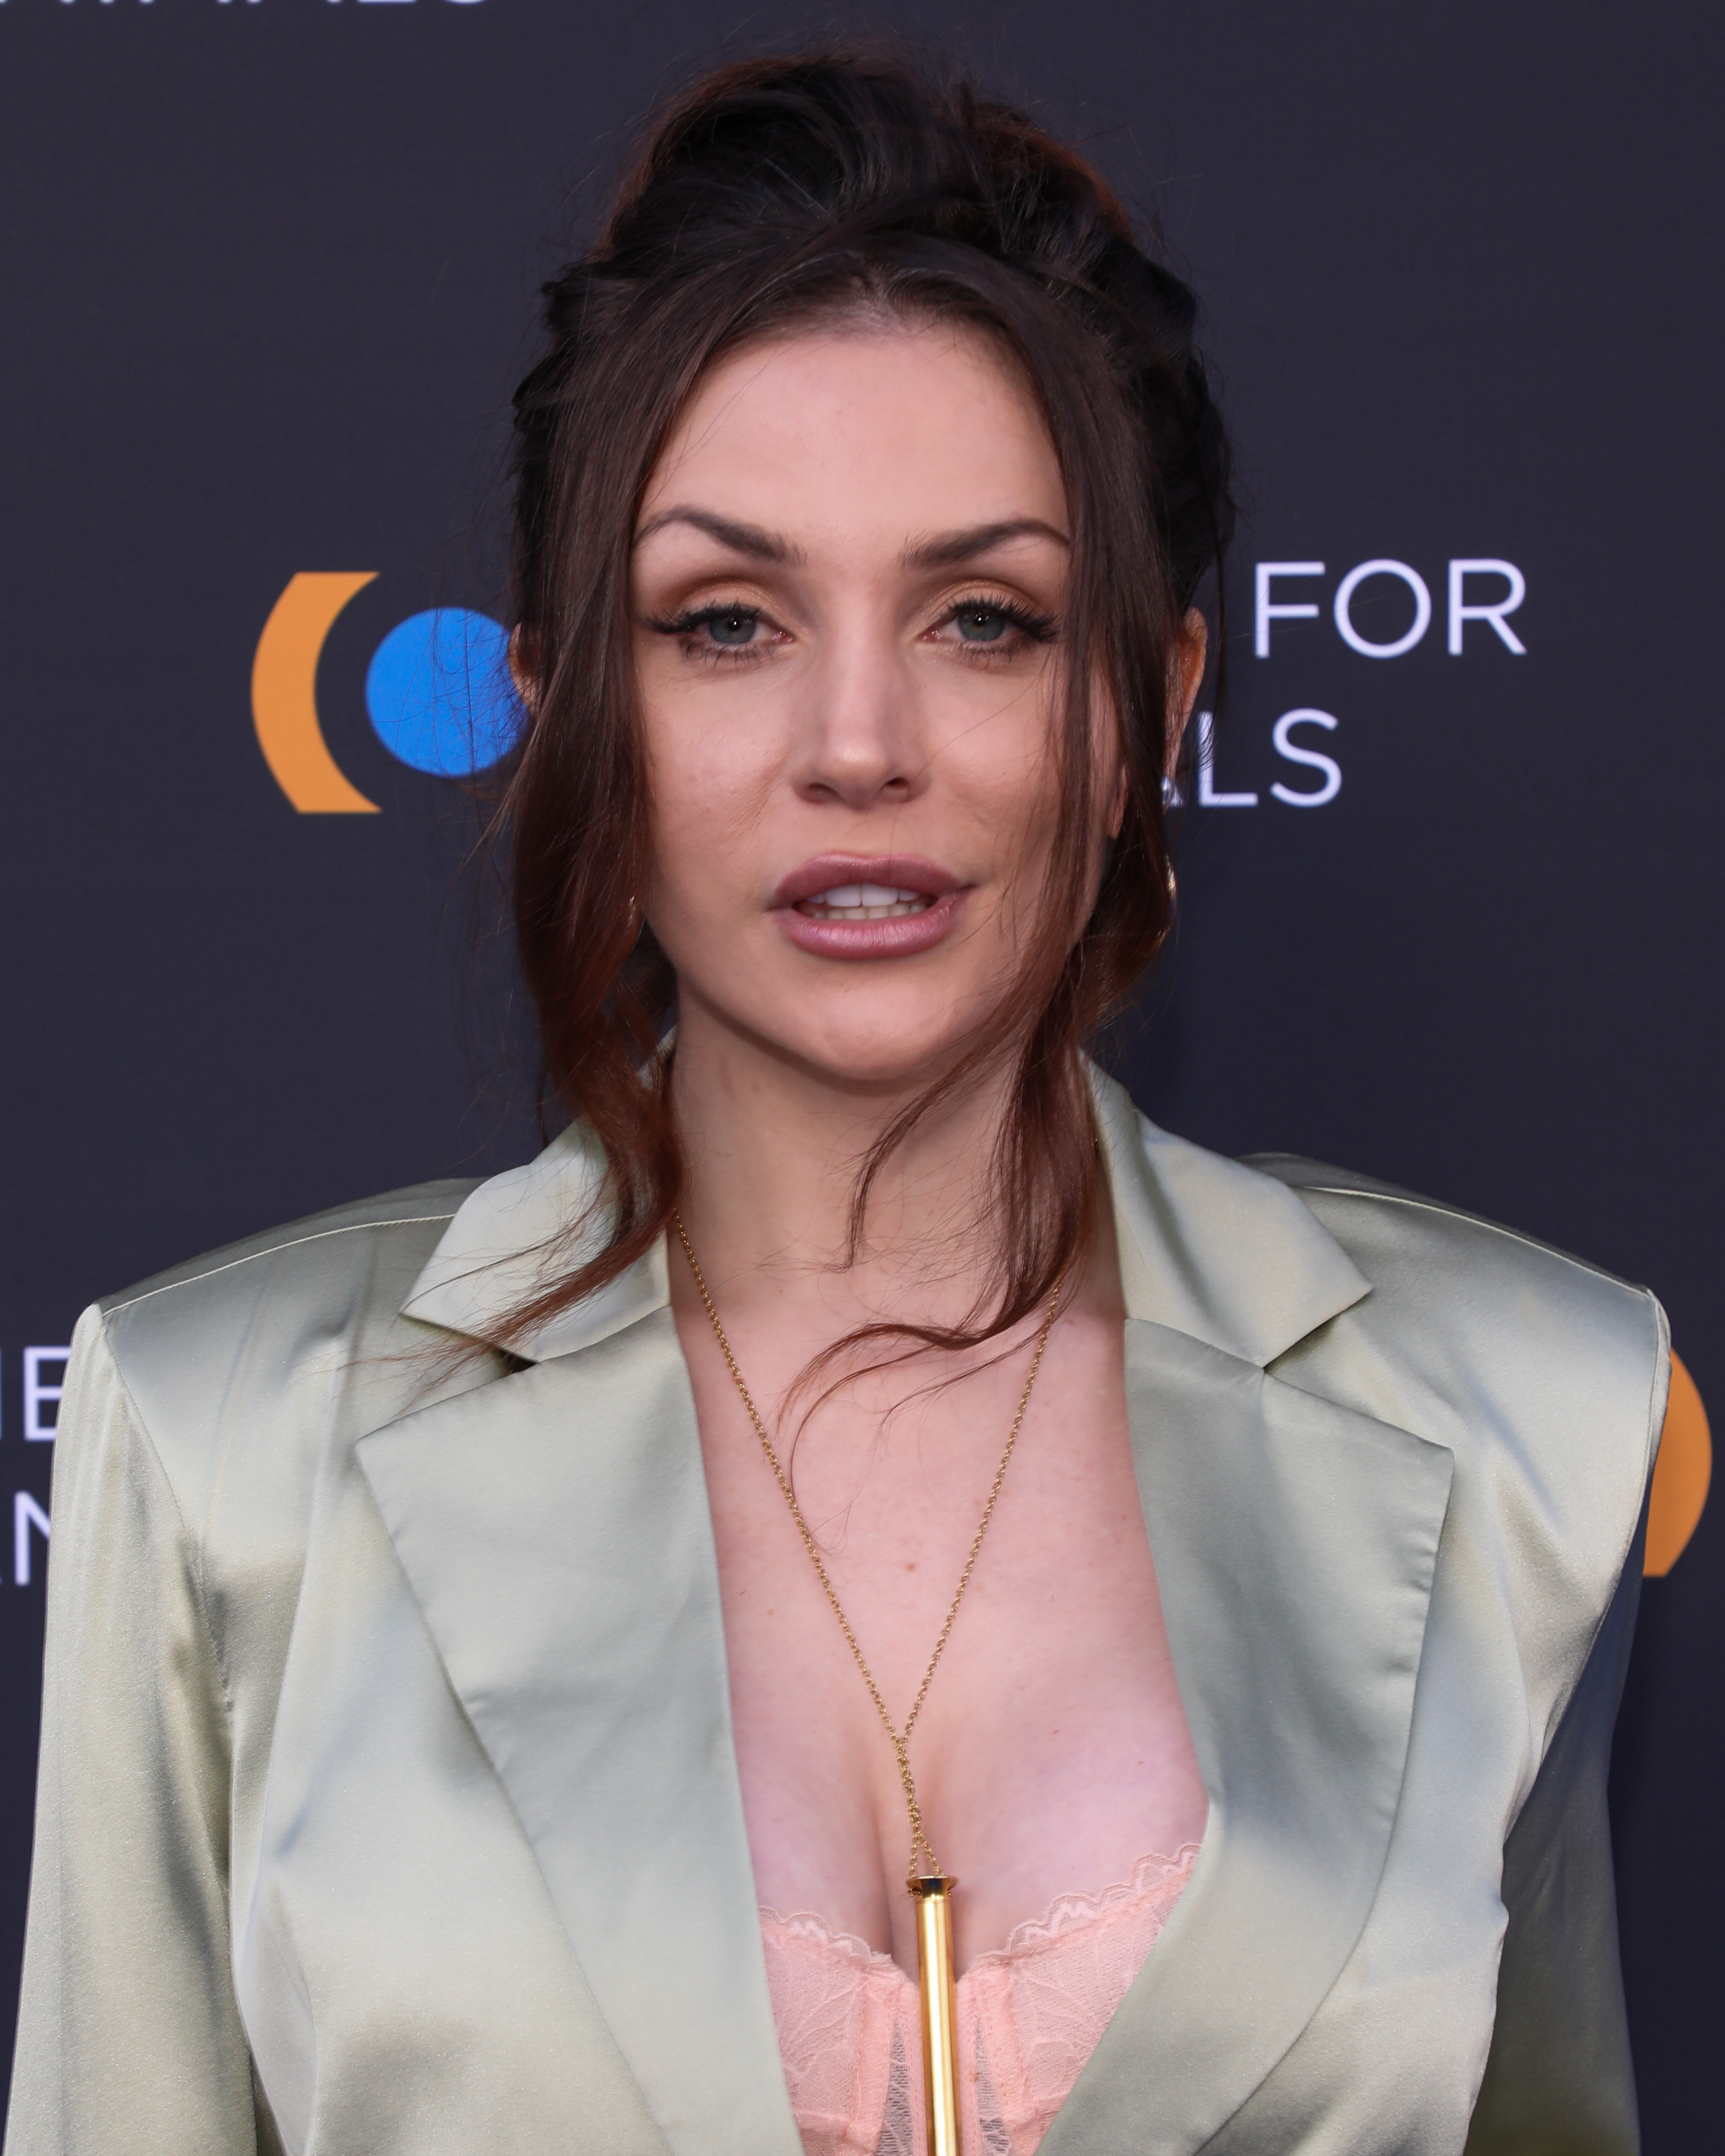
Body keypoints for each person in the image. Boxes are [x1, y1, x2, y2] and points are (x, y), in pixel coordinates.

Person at [6, 49, 1666, 2156]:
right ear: (567, 711)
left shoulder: (1523, 1415)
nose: (855, 741)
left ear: (1147, 704)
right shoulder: (233, 1439)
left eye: (982, 618)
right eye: (726, 622)